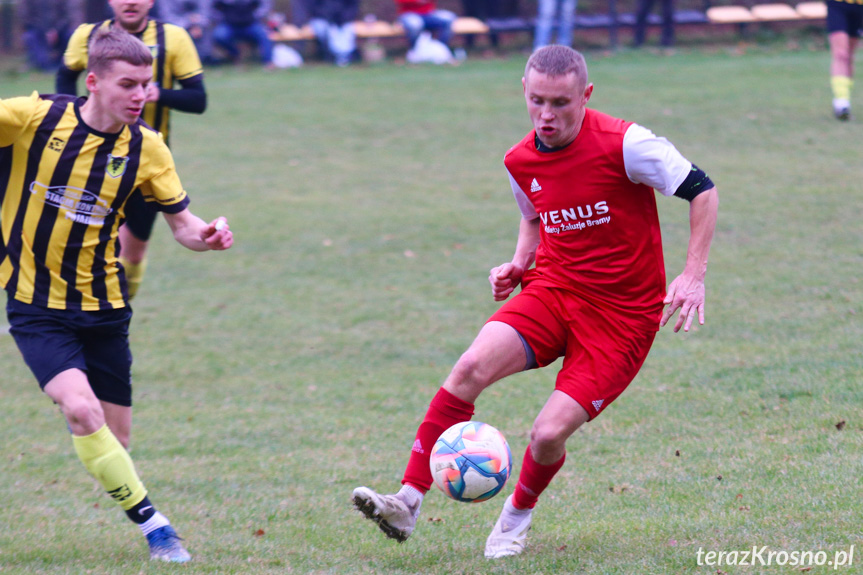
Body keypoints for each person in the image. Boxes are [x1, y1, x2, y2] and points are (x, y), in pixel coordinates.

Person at [352, 45, 718, 559]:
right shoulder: (519, 160)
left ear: (585, 96)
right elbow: (534, 214)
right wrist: (519, 263)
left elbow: (703, 191)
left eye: (562, 103)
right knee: (468, 368)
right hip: (554, 289)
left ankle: (515, 517)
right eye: (537, 101)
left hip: (621, 319)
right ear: (523, 92)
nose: (547, 115)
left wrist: (693, 274)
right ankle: (407, 502)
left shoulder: (628, 144)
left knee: (547, 434)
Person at [1, 26, 233, 562]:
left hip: (105, 309)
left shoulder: (147, 148)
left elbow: (183, 226)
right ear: (94, 81)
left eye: (146, 85)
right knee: (82, 412)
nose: (140, 95)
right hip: (37, 307)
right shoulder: (34, 117)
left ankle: (113, 464)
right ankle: (158, 527)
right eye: (128, 84)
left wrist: (207, 236)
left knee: (117, 443)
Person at [57, 0, 207, 300]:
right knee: (81, 246)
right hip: (90, 159)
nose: (130, 1)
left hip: (143, 164)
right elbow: (64, 77)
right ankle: (71, 309)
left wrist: (158, 94)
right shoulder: (86, 36)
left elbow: (198, 100)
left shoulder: (174, 38)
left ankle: (117, 311)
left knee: (133, 256)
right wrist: (71, 118)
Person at [826, 0, 863, 120]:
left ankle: (844, 100)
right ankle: (842, 103)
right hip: (838, 4)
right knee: (841, 54)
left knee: (849, 55)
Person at [211, 0, 275, 67]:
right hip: (229, 25)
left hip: (250, 24)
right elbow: (213, 8)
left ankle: (268, 62)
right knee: (219, 35)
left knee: (264, 35)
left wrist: (255, 15)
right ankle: (236, 53)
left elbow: (265, 5)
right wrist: (222, 17)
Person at [20, 0, 71, 71]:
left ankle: (66, 63)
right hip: (38, 30)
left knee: (70, 35)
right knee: (29, 36)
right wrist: (43, 32)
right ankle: (44, 65)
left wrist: (57, 30)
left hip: (60, 31)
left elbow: (68, 15)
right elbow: (26, 17)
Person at [310, 0, 360, 66]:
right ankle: (338, 57)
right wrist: (330, 18)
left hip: (343, 20)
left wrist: (342, 19)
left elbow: (352, 7)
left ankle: (343, 57)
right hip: (325, 19)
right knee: (329, 31)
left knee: (346, 32)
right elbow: (315, 8)